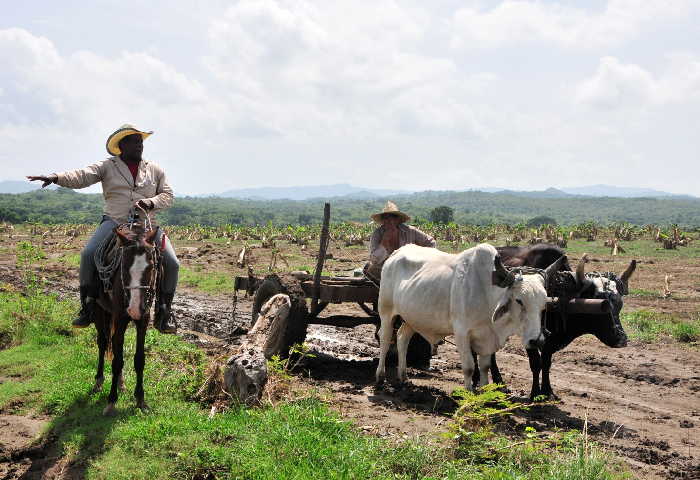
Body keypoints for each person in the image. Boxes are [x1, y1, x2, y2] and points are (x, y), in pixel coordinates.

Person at [27, 124, 179, 334]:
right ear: (121, 145)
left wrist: (151, 202)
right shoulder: (108, 166)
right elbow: (82, 175)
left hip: (146, 225)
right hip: (115, 223)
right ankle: (88, 304)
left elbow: (168, 195)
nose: (139, 145)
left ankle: (164, 311)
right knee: (89, 253)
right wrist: (55, 177)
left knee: (172, 262)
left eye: (140, 141)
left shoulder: (155, 169)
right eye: (134, 141)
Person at [364, 201, 436, 283]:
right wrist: (383, 244)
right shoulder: (377, 234)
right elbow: (374, 260)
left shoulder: (410, 231)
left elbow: (431, 242)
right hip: (386, 270)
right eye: (386, 218)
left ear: (398, 219)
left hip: (408, 267)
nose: (389, 220)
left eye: (393, 217)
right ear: (383, 220)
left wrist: (421, 257)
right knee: (370, 269)